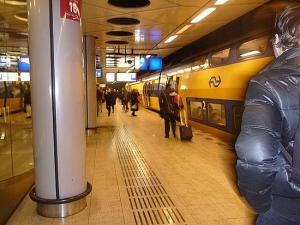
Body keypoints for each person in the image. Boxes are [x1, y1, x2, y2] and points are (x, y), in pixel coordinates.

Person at [235, 5, 300, 225]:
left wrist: (260, 204)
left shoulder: (267, 83)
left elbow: (256, 156)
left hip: (287, 209)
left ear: (277, 41)